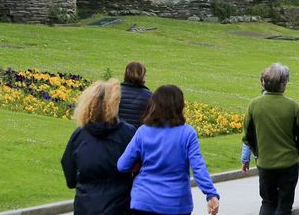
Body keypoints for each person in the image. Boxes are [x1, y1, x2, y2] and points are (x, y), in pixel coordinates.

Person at [117, 84, 220, 215]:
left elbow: (122, 165)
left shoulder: (143, 132)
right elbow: (198, 167)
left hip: (144, 201)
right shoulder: (187, 133)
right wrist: (211, 193)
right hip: (176, 203)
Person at [61, 79, 135, 215]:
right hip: (118, 205)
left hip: (86, 205)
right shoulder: (127, 133)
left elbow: (69, 168)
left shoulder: (80, 135)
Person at [243, 63, 299, 215]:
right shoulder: (293, 107)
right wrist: (297, 151)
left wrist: (257, 152)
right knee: (284, 206)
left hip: (265, 164)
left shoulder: (254, 105)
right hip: (288, 163)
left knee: (268, 202)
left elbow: (247, 136)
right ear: (283, 84)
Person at [119, 61, 152, 128]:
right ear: (143, 76)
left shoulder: (115, 92)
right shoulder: (149, 96)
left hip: (117, 135)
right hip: (137, 134)